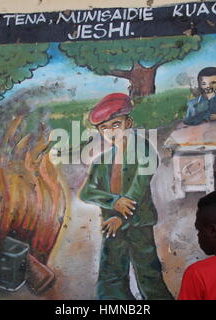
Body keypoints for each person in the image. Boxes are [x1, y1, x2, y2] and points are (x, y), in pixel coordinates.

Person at [79, 92, 173, 300]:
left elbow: (137, 190)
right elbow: (87, 192)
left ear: (128, 123)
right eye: (104, 128)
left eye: (115, 125)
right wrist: (114, 202)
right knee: (111, 276)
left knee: (148, 275)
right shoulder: (101, 161)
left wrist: (120, 216)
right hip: (111, 225)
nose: (111, 132)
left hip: (137, 223)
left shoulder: (144, 151)